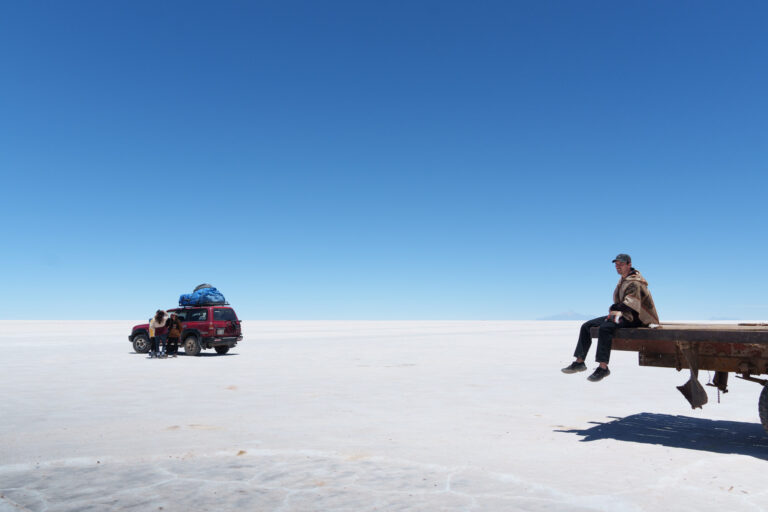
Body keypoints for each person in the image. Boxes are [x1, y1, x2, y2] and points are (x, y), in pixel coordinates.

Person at [561, 254, 659, 382]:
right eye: (616, 264)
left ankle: (603, 367)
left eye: (621, 264)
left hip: (636, 318)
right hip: (623, 314)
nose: (618, 267)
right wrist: (615, 309)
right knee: (587, 326)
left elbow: (631, 305)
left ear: (629, 264)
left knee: (605, 328)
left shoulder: (634, 282)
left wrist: (615, 307)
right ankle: (579, 362)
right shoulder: (624, 280)